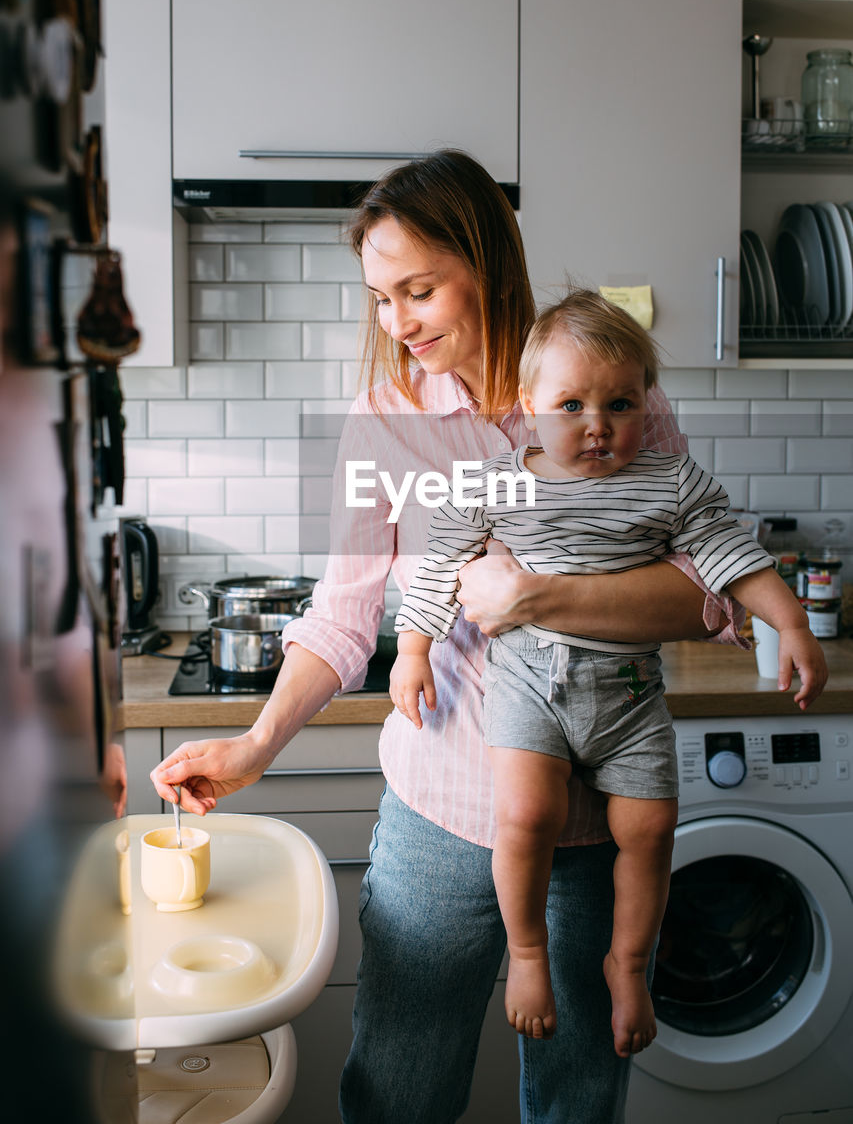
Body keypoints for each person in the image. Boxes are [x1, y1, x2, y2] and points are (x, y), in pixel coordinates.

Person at [151, 149, 756, 1124]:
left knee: (576, 1096)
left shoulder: (601, 394)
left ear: (485, 257)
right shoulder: (383, 419)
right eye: (381, 298)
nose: (396, 322)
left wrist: (537, 595)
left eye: (418, 289)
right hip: (438, 813)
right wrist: (255, 743)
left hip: (594, 815)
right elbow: (345, 612)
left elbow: (701, 595)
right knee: (396, 1090)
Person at [391, 289, 828, 1054]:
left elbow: (728, 560)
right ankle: (528, 959)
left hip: (628, 691)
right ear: (529, 406)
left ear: (645, 401)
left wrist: (789, 620)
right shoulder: (492, 483)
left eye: (620, 403)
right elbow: (438, 568)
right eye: (571, 405)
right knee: (526, 818)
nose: (597, 425)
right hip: (527, 682)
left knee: (650, 828)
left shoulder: (671, 482)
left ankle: (627, 964)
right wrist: (413, 648)